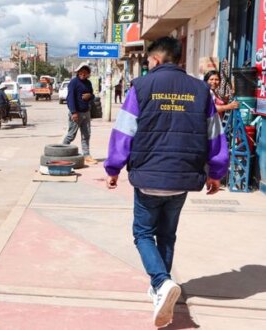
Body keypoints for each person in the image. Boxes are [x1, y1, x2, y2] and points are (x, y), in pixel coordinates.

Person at [104, 37, 229, 328]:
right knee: (168, 234)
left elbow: (125, 132)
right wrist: (216, 172)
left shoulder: (142, 87)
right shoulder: (201, 90)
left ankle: (161, 283)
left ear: (157, 60)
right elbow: (215, 135)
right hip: (183, 178)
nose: (147, 65)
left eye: (148, 61)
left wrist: (113, 168)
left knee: (143, 234)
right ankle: (160, 288)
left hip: (148, 176)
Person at [63, 63, 97, 165]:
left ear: (88, 74)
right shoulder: (73, 83)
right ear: (78, 72)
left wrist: (89, 96)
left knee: (86, 135)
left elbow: (92, 96)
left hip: (86, 113)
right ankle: (61, 153)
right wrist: (73, 112)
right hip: (76, 113)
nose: (83, 74)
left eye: (85, 72)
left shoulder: (88, 83)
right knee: (71, 135)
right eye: (81, 72)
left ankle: (86, 155)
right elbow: (70, 98)